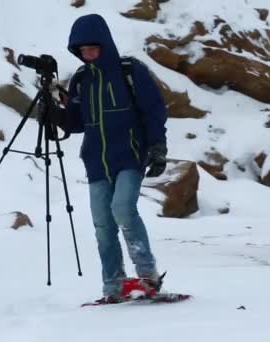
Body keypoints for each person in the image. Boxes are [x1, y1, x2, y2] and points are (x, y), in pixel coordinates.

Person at [56, 14, 168, 303]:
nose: (88, 54)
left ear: (105, 44)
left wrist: (157, 147)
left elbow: (154, 109)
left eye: (93, 48)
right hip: (96, 161)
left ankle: (148, 276)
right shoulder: (82, 80)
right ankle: (113, 285)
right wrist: (54, 114)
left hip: (130, 155)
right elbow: (76, 123)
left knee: (122, 209)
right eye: (82, 50)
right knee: (103, 225)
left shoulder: (130, 71)